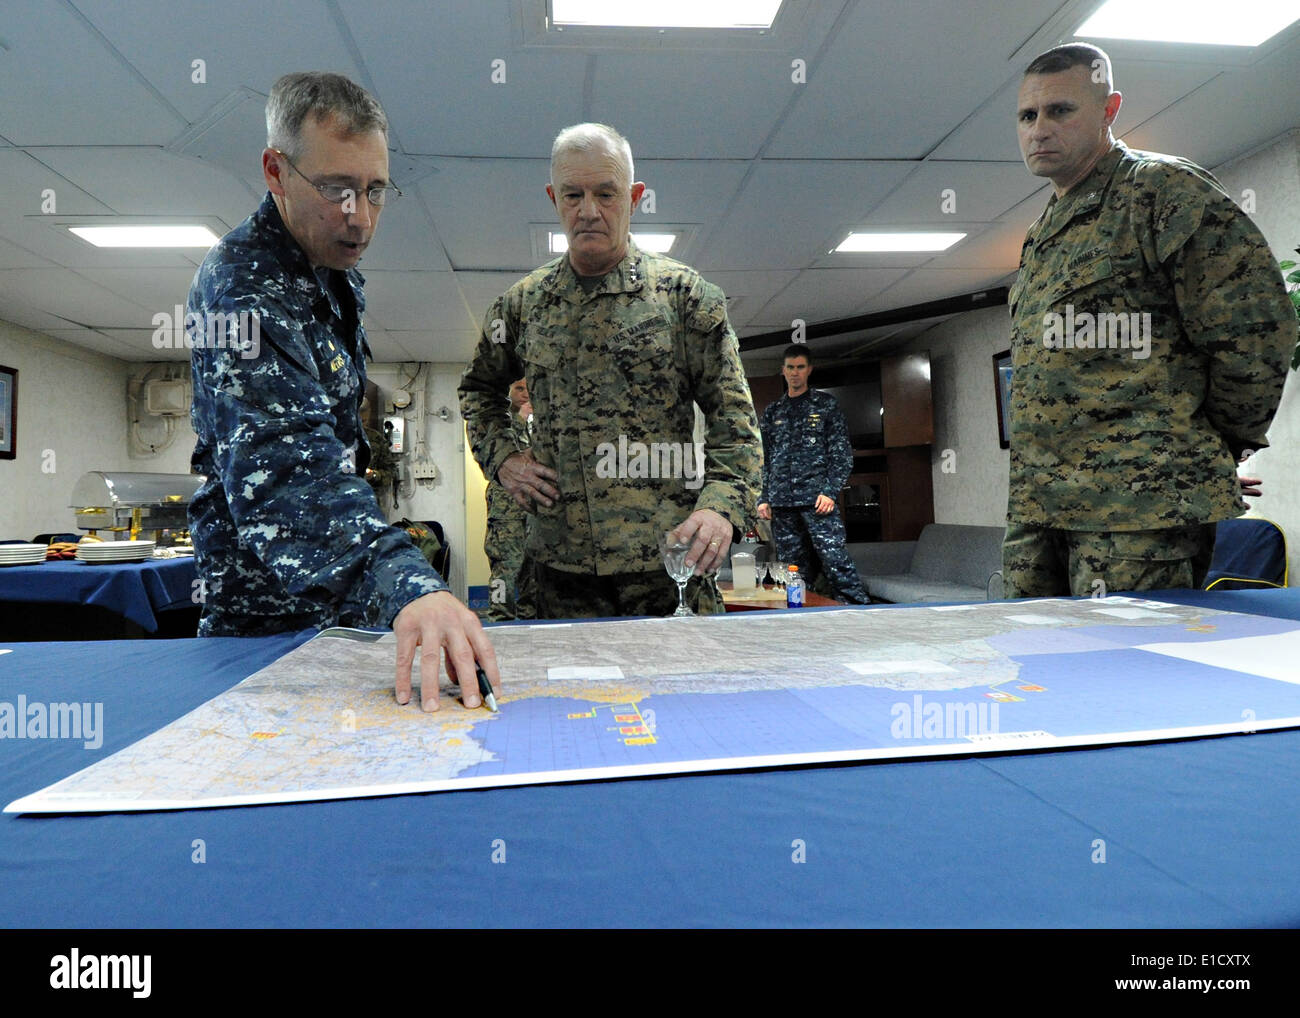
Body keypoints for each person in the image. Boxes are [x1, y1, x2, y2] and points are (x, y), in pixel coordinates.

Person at [188, 71, 498, 710]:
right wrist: (410, 585)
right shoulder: (241, 293)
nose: (360, 218)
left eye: (375, 191)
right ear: (276, 171)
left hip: (326, 616)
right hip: (261, 625)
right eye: (336, 189)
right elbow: (292, 479)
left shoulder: (333, 275)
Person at [1003, 43, 1295, 598]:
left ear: (1109, 110)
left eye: (1059, 110)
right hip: (1040, 506)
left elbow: (1255, 332)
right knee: (1034, 665)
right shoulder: (1045, 228)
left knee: (1124, 675)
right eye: (1027, 115)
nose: (1039, 129)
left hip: (1138, 512)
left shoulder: (1163, 193)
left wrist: (1210, 447)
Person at [458, 123, 761, 619]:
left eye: (606, 193)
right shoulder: (522, 306)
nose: (589, 211)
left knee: (685, 696)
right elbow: (477, 390)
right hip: (559, 573)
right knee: (570, 697)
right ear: (554, 198)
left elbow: (736, 424)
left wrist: (720, 507)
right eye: (573, 195)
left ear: (635, 197)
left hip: (668, 570)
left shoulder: (684, 299)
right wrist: (504, 460)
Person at [757, 345, 869, 604]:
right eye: (790, 368)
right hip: (783, 504)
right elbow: (765, 459)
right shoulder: (773, 412)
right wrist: (763, 497)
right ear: (783, 371)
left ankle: (860, 611)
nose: (795, 373)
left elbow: (841, 455)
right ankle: (799, 615)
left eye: (800, 367)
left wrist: (830, 491)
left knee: (835, 562)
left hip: (818, 502)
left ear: (809, 370)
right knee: (792, 570)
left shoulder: (826, 405)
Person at [483, 378, 536, 621]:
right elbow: (493, 461)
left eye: (528, 388)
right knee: (505, 569)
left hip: (530, 511)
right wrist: (521, 419)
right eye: (519, 388)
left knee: (531, 571)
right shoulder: (497, 423)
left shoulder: (529, 426)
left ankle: (530, 621)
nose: (525, 394)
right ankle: (498, 620)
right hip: (506, 514)